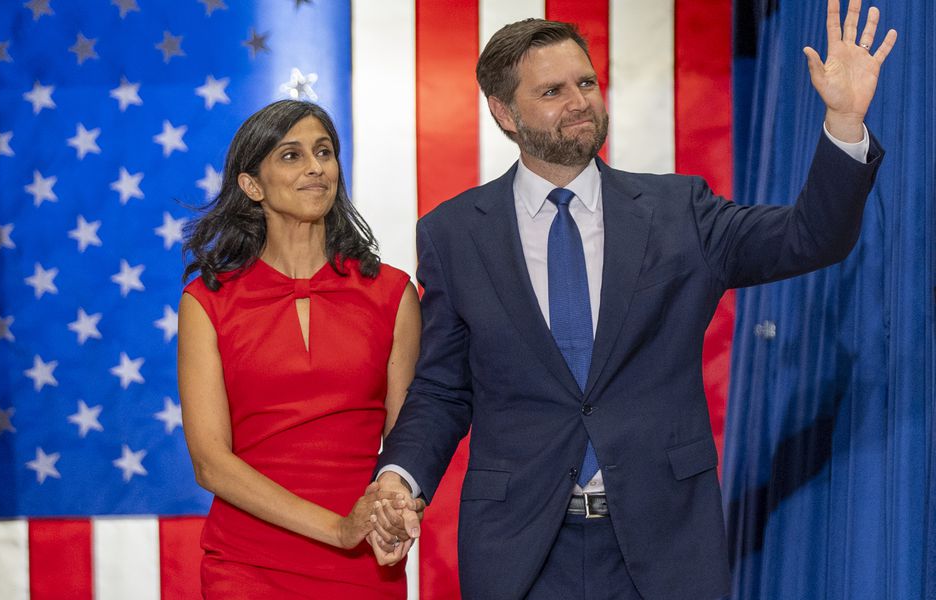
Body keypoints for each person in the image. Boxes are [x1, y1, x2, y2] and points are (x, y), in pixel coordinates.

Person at [369, 0, 897, 598]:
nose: (579, 101)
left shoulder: (681, 211)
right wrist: (399, 476)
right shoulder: (454, 233)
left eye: (586, 82)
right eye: (552, 91)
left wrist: (846, 125)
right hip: (520, 548)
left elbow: (812, 236)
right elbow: (443, 387)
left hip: (665, 542)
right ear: (503, 113)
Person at [177, 99, 423, 598]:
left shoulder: (393, 292)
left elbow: (410, 441)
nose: (315, 167)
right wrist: (337, 528)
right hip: (245, 564)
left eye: (324, 152)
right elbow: (210, 462)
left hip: (365, 561)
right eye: (291, 156)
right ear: (252, 186)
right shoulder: (207, 301)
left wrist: (396, 512)